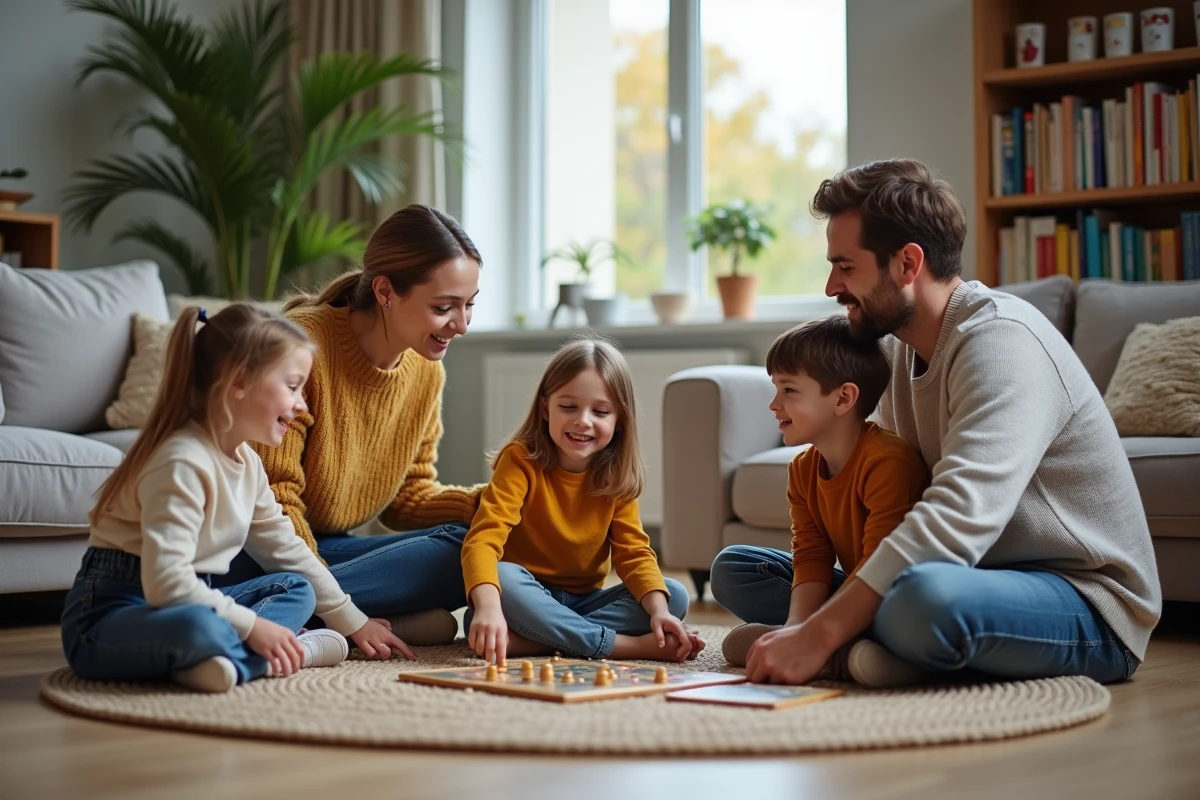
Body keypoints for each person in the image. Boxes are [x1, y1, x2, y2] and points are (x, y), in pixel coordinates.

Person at [742, 158, 1161, 687]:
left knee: (920, 600)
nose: (831, 287)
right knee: (746, 570)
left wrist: (819, 632)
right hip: (967, 575)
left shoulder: (1002, 340)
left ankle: (854, 645)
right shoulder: (894, 349)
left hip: (1081, 597)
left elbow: (961, 511)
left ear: (907, 263)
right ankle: (875, 647)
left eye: (845, 267)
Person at [62, 305, 409, 694]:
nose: (302, 405)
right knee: (199, 628)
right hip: (112, 617)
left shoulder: (247, 462)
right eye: (293, 386)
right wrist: (253, 626)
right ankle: (288, 652)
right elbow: (165, 586)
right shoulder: (181, 462)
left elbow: (285, 548)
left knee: (297, 589)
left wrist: (354, 621)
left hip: (194, 598)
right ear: (239, 382)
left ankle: (219, 661)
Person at [218, 204, 485, 656]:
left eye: (469, 304)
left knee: (472, 546)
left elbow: (407, 497)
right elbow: (274, 501)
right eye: (444, 307)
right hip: (258, 549)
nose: (461, 325)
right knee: (457, 560)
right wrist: (335, 600)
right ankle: (285, 607)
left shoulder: (426, 372)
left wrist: (488, 505)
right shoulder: (301, 349)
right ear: (385, 291)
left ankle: (310, 615)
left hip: (330, 548)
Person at [711, 315, 929, 684]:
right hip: (851, 589)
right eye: (776, 389)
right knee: (733, 567)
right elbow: (811, 555)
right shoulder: (802, 469)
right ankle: (839, 650)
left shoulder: (887, 462)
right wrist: (797, 627)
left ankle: (851, 652)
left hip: (891, 589)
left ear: (843, 398)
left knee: (910, 604)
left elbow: (882, 566)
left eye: (789, 390)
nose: (773, 404)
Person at [461, 337, 703, 663]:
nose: (583, 421)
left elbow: (634, 554)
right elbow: (483, 539)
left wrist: (659, 612)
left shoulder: (615, 475)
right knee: (501, 577)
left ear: (619, 420)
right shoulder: (520, 460)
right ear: (545, 408)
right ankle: (619, 646)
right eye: (568, 407)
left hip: (586, 602)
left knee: (674, 596)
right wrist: (488, 607)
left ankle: (541, 638)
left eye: (600, 411)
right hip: (525, 595)